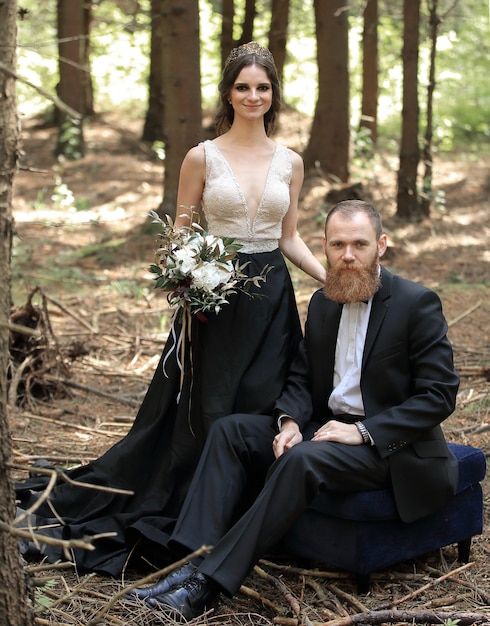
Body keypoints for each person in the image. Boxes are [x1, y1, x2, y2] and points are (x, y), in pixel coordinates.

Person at [15, 42, 326, 575]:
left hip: (272, 301)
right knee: (207, 406)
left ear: (274, 94)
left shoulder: (290, 163)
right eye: (243, 86)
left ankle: (246, 512)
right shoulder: (202, 156)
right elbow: (182, 233)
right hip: (215, 300)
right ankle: (190, 514)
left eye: (263, 87)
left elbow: (289, 237)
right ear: (228, 93)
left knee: (258, 402)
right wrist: (189, 279)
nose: (253, 96)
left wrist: (333, 279)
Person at [127, 199, 460, 620]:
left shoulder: (416, 303)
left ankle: (205, 586)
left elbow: (440, 394)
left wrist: (362, 432)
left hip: (392, 449)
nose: (349, 255)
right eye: (338, 244)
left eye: (360, 244)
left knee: (303, 460)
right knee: (231, 431)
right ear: (323, 245)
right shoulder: (323, 303)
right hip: (327, 431)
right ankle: (188, 562)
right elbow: (302, 376)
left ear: (382, 245)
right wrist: (288, 420)